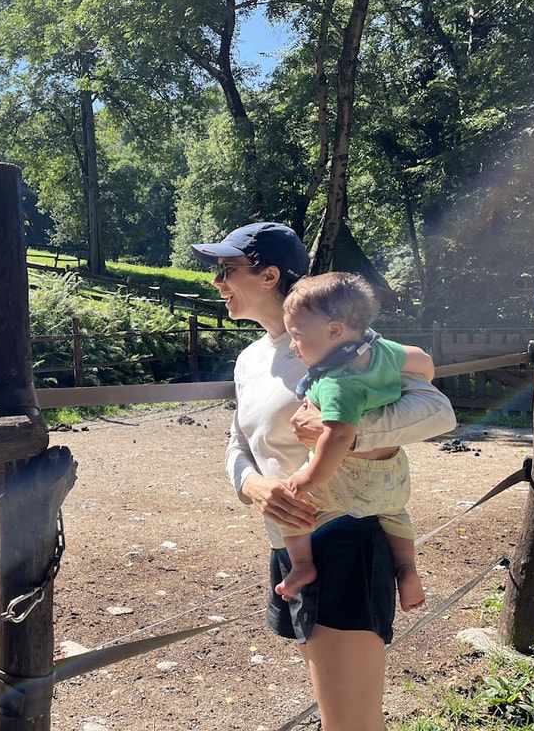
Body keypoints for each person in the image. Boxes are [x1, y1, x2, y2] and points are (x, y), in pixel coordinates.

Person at [191, 222, 455, 731]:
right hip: (293, 537)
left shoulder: (342, 346)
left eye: (226, 270)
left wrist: (343, 434)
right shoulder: (250, 360)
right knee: (337, 710)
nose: (217, 282)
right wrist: (254, 486)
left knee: (351, 722)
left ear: (268, 275)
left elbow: (437, 409)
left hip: (349, 538)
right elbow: (239, 444)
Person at [276, 272, 434, 612]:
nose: (293, 345)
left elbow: (340, 435)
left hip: (347, 477)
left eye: (297, 336)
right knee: (395, 515)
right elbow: (423, 361)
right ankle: (406, 568)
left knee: (288, 509)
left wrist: (309, 478)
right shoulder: (381, 351)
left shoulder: (337, 382)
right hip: (392, 472)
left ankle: (302, 566)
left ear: (334, 331)